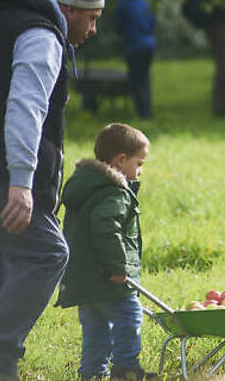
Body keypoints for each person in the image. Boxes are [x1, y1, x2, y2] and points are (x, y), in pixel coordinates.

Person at [0, 0, 104, 379]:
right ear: (68, 9)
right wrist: (21, 181)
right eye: (91, 18)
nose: (93, 30)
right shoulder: (40, 35)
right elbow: (25, 106)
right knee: (47, 254)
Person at [55, 123, 154, 381]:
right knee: (130, 317)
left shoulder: (87, 185)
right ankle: (126, 370)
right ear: (121, 160)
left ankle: (91, 374)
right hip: (107, 277)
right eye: (139, 163)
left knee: (95, 329)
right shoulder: (113, 192)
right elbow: (106, 230)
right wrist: (118, 267)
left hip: (84, 278)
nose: (140, 171)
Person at [115, 0, 156, 119]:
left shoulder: (123, 5)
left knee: (136, 79)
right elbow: (152, 24)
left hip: (133, 46)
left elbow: (118, 27)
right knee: (145, 77)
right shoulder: (146, 5)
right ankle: (146, 110)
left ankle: (142, 112)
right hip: (149, 45)